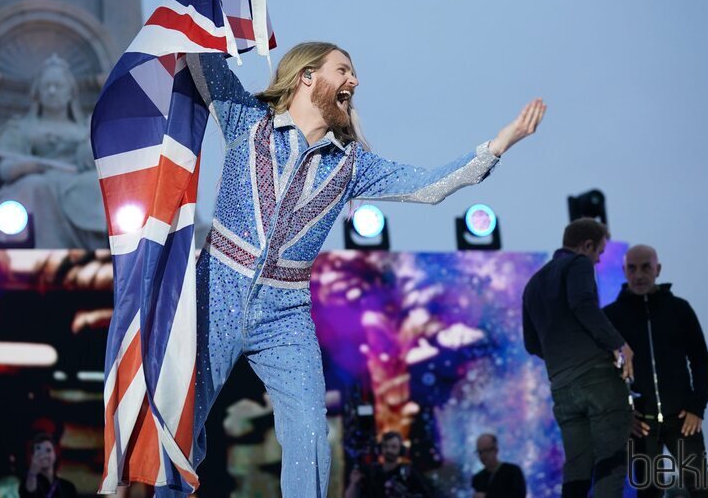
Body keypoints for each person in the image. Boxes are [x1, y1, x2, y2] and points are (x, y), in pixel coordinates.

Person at [185, 41, 546, 497]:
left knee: (310, 434)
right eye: (344, 70)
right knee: (183, 416)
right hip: (216, 288)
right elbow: (198, 51)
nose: (354, 82)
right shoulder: (247, 121)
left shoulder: (351, 165)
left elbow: (428, 187)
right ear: (306, 77)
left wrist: (498, 145)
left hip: (285, 315)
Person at [0, 54, 106, 249]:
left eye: (58, 86)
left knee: (98, 186)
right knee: (36, 187)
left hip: (78, 181)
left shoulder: (87, 129)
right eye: (47, 86)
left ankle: (102, 245)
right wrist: (28, 166)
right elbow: (5, 168)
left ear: (71, 93)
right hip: (37, 180)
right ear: (37, 93)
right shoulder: (21, 128)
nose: (52, 91)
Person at [522, 218, 633, 498]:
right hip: (596, 379)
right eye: (599, 252)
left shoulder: (533, 284)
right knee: (611, 461)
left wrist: (561, 357)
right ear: (586, 245)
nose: (597, 261)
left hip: (561, 387)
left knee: (577, 467)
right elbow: (582, 304)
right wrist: (619, 344)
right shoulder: (579, 264)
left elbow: (531, 343)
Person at [603, 245, 708, 498]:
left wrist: (698, 406)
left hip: (683, 418)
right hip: (640, 423)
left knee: (702, 489)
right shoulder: (610, 317)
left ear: (658, 269)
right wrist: (623, 414)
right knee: (650, 492)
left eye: (646, 267)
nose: (639, 274)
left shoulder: (679, 309)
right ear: (624, 271)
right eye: (632, 268)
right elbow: (603, 374)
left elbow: (701, 361)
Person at [344, 431, 434, 498]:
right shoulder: (372, 473)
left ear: (401, 450)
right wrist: (353, 483)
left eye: (393, 447)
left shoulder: (408, 473)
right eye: (385, 446)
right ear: (380, 448)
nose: (389, 450)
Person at [20, 432, 78, 498]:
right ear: (32, 456)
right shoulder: (26, 484)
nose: (44, 455)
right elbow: (29, 493)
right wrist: (33, 470)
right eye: (39, 451)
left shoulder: (68, 487)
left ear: (55, 454)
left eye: (48, 450)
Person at [471, 433, 526, 498]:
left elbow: (518, 495)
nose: (483, 455)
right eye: (480, 452)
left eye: (486, 450)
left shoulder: (513, 472)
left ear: (496, 450)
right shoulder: (478, 478)